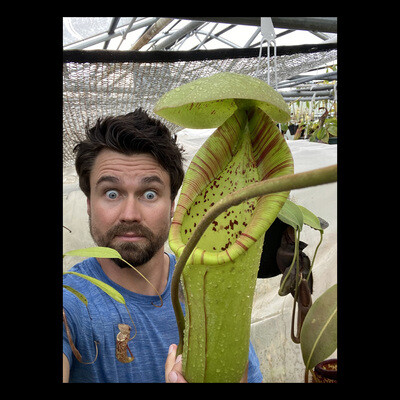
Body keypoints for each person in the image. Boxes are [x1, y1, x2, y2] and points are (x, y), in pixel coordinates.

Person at [63, 108, 263, 383]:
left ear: (172, 206)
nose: (130, 214)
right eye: (111, 193)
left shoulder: (206, 293)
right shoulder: (70, 301)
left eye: (149, 193)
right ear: (88, 204)